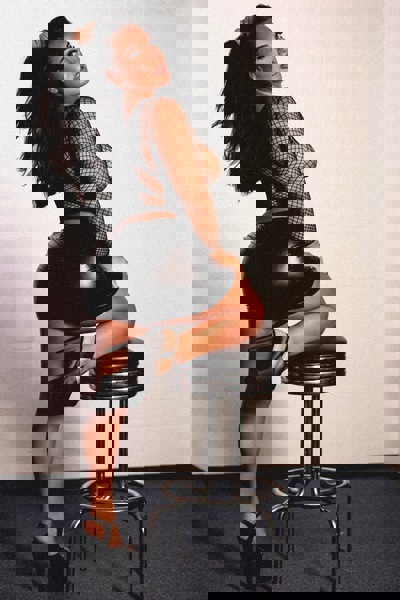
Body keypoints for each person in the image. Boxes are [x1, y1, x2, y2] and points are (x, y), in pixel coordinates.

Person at [17, 16, 142, 591]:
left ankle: (89, 504)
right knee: (59, 394)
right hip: (74, 265)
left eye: (75, 57)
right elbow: (76, 198)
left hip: (100, 264)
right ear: (49, 75)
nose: (75, 65)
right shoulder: (58, 128)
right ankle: (50, 526)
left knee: (104, 378)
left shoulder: (82, 122)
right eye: (63, 59)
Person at [214, 7, 338, 576]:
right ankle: (283, 348)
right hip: (282, 246)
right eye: (266, 51)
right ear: (253, 63)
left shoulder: (255, 114)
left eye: (277, 47)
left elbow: (277, 186)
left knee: (258, 390)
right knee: (311, 320)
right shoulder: (270, 112)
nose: (275, 57)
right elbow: (288, 191)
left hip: (274, 250)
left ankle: (249, 510)